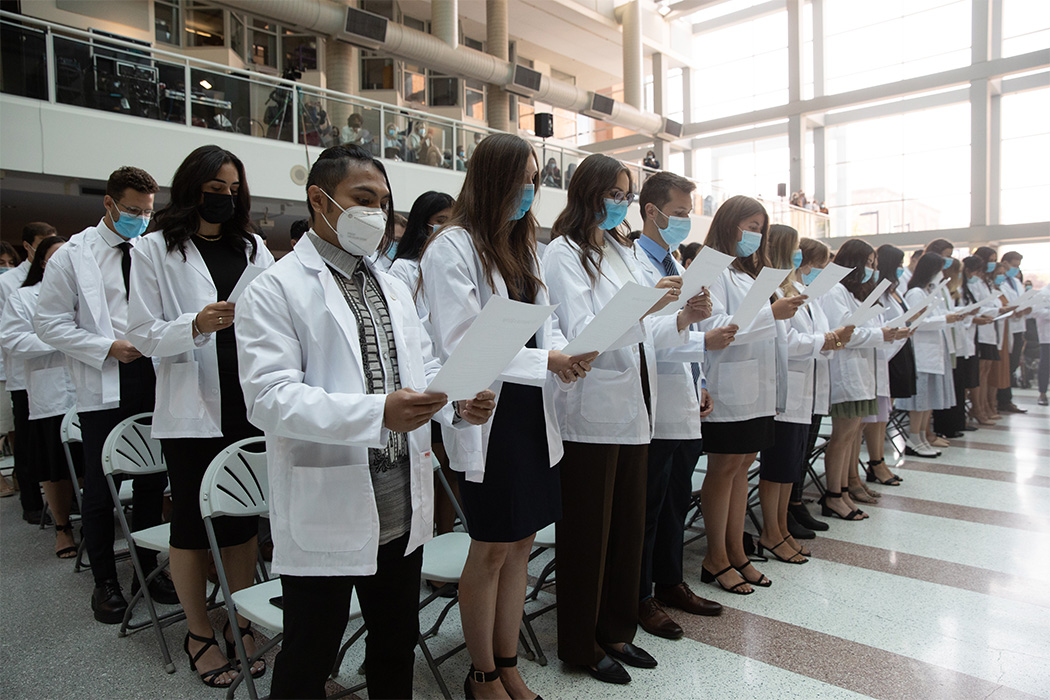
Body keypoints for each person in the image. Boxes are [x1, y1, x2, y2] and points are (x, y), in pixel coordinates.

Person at [235, 143, 495, 699]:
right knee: (312, 649)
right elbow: (267, 398)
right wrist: (378, 412)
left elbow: (422, 365)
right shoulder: (276, 287)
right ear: (319, 199)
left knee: (395, 641)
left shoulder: (392, 284)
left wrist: (455, 403)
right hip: (328, 497)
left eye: (383, 201)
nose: (376, 213)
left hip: (400, 497)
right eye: (363, 198)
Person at [422, 133, 595, 699]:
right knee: (492, 546)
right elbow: (462, 339)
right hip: (486, 414)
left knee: (521, 543)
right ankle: (482, 675)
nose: (529, 190)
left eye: (535, 179)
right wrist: (550, 357)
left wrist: (568, 354)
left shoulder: (526, 247)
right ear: (492, 178)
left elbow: (549, 326)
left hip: (529, 411)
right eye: (521, 178)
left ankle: (508, 660)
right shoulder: (453, 245)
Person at [543, 153, 706, 684]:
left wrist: (678, 315)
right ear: (587, 194)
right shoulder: (563, 254)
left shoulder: (622, 251)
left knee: (626, 530)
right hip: (589, 412)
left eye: (625, 195)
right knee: (589, 535)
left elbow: (649, 334)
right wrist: (643, 307)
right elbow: (582, 331)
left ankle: (615, 630)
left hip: (637, 408)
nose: (621, 204)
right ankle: (580, 645)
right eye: (614, 194)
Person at [126, 145, 275, 687]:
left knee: (240, 520)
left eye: (234, 188)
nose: (226, 196)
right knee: (192, 524)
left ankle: (238, 617)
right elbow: (141, 333)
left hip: (247, 401)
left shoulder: (255, 247)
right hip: (191, 408)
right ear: (193, 188)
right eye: (216, 187)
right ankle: (198, 633)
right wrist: (194, 324)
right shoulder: (152, 251)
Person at [35, 167, 179, 623]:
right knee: (103, 487)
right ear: (109, 204)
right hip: (106, 379)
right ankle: (106, 584)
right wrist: (107, 347)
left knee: (155, 479)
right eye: (133, 210)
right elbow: (49, 324)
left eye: (147, 211)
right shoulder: (73, 256)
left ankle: (146, 573)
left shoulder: (153, 250)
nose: (140, 218)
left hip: (157, 376)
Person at [632, 171, 728, 640]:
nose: (685, 222)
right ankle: (641, 595)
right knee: (648, 505)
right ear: (652, 211)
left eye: (690, 214)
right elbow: (644, 333)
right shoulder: (634, 260)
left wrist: (702, 378)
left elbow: (687, 326)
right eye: (680, 213)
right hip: (653, 403)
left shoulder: (674, 259)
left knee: (674, 501)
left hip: (684, 393)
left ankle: (670, 581)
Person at [697, 195, 805, 593]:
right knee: (723, 470)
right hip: (727, 384)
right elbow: (716, 326)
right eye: (749, 226)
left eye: (761, 229)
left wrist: (776, 313)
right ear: (728, 224)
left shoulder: (749, 273)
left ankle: (737, 551)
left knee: (743, 466)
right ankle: (716, 557)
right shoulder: (713, 269)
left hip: (756, 386)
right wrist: (770, 314)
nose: (755, 235)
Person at [759, 225, 854, 558]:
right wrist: (823, 341)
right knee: (778, 468)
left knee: (791, 467)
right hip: (785, 393)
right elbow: (784, 341)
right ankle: (771, 531)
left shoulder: (795, 287)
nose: (801, 254)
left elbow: (817, 334)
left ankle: (781, 529)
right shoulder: (771, 288)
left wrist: (831, 340)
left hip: (806, 390)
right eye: (797, 247)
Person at [1, 234, 81, 557]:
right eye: (54, 259)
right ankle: (62, 528)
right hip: (51, 394)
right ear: (41, 263)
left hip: (85, 391)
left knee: (88, 464)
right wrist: (61, 340)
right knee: (54, 466)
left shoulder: (84, 295)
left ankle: (93, 520)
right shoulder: (23, 298)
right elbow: (14, 342)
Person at [387, 191, 457, 542]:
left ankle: (449, 533)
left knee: (451, 470)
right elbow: (418, 328)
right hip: (425, 377)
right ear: (422, 223)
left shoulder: (452, 262)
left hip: (450, 373)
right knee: (435, 465)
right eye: (440, 220)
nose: (446, 228)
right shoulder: (403, 268)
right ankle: (435, 537)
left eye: (451, 221)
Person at [819, 239, 905, 520]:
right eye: (868, 263)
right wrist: (881, 335)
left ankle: (844, 490)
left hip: (861, 374)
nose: (871, 269)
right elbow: (844, 333)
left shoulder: (852, 293)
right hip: (846, 374)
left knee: (851, 436)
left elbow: (863, 328)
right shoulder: (834, 292)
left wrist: (884, 332)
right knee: (842, 438)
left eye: (874, 265)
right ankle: (833, 495)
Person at [0, 222, 56, 516]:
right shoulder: (10, 284)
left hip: (61, 380)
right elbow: (9, 338)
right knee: (28, 445)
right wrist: (61, 339)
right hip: (24, 377)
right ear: (29, 247)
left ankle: (65, 500)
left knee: (57, 450)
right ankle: (32, 505)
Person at [785, 238, 836, 537]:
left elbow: (826, 335)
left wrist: (832, 341)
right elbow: (790, 340)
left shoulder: (808, 294)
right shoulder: (784, 292)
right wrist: (825, 341)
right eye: (819, 265)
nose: (821, 270)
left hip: (812, 382)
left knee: (803, 451)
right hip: (793, 385)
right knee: (790, 456)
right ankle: (787, 510)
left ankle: (795, 502)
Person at [862, 245, 914, 487]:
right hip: (885, 353)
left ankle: (879, 461)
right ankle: (875, 462)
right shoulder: (875, 289)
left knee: (884, 412)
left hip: (895, 350)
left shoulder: (893, 289)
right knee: (875, 415)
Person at [997, 251, 1029, 413]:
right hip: (1006, 327)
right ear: (1005, 263)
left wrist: (1026, 309)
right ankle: (1002, 400)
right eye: (1014, 265)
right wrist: (1014, 310)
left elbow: (1021, 301)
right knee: (1005, 365)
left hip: (1018, 327)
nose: (1016, 269)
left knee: (1013, 363)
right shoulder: (1000, 281)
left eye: (1018, 266)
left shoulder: (1016, 282)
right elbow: (1002, 305)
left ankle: (1006, 399)